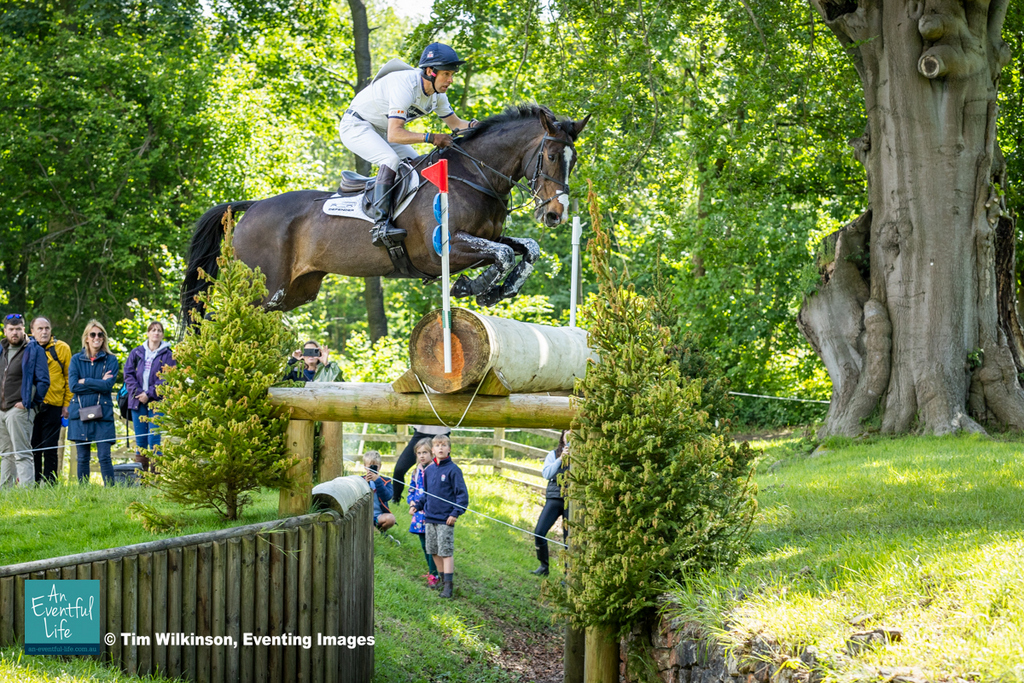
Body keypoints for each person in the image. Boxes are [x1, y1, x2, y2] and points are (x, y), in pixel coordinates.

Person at [339, 42, 478, 246]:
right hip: (357, 125)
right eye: (447, 74)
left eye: (452, 74)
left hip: (382, 129)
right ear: (431, 71)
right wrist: (431, 137)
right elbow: (395, 134)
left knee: (416, 164)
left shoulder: (437, 95)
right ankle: (381, 224)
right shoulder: (405, 85)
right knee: (391, 159)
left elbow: (456, 125)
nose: (451, 80)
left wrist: (483, 127)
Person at [413, 434, 469, 599]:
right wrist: (417, 505)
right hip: (430, 517)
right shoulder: (429, 470)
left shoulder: (454, 470)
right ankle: (442, 580)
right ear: (433, 449)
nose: (440, 448)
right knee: (434, 550)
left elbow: (462, 496)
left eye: (444, 445)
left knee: (445, 551)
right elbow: (427, 494)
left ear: (449, 449)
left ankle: (448, 587)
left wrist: (455, 513)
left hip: (446, 519)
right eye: (437, 445)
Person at [0, 313, 50, 487]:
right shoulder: (1, 349)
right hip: (1, 409)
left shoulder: (34, 350)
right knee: (6, 453)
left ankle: (26, 494)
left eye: (18, 329)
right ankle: (5, 493)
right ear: (5, 330)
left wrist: (30, 403)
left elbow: (44, 381)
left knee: (22, 453)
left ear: (24, 330)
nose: (15, 333)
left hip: (19, 409)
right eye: (11, 329)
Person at [68, 320, 119, 485]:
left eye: (100, 334)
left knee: (105, 456)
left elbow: (107, 385)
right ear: (86, 338)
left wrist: (86, 381)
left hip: (102, 414)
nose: (97, 337)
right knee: (82, 457)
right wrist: (97, 382)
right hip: (80, 413)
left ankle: (111, 492)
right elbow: (74, 386)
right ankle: (83, 492)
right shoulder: (76, 359)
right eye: (93, 334)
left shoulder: (111, 360)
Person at [123, 321, 175, 471]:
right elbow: (128, 374)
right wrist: (139, 393)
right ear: (148, 333)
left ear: (162, 335)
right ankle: (141, 475)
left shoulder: (168, 355)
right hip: (137, 401)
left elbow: (167, 378)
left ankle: (155, 475)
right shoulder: (137, 352)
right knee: (141, 439)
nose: (156, 333)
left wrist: (149, 393)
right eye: (153, 330)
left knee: (154, 438)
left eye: (159, 330)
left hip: (157, 401)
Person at [29, 316, 72, 484]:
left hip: (54, 404)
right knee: (33, 446)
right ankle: (33, 481)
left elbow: (69, 377)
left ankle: (50, 483)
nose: (44, 331)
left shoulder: (62, 348)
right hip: (32, 405)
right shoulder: (27, 348)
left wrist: (67, 403)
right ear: (32, 331)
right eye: (39, 329)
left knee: (50, 446)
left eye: (47, 328)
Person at [531, 430, 571, 576]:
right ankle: (543, 566)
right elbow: (546, 474)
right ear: (563, 436)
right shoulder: (553, 454)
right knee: (539, 532)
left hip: (572, 502)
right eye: (568, 434)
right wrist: (561, 458)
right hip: (555, 498)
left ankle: (569, 575)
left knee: (570, 539)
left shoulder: (582, 456)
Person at [406, 438, 440, 587]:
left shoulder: (435, 470)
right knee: (423, 543)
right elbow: (411, 489)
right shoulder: (416, 471)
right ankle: (432, 571)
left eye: (425, 452)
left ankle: (435, 574)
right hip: (418, 514)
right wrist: (411, 501)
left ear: (431, 452)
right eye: (419, 453)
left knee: (432, 544)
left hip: (431, 512)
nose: (422, 456)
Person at [392, 424, 450, 504]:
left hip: (441, 434)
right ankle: (396, 498)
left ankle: (441, 501)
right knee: (399, 469)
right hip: (420, 433)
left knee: (442, 473)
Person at [363, 450, 396, 532]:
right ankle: (379, 535)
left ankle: (378, 530)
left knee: (391, 519)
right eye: (370, 466)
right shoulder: (361, 480)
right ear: (365, 466)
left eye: (375, 467)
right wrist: (365, 483)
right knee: (367, 525)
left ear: (380, 466)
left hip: (379, 517)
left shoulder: (386, 481)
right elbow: (357, 497)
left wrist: (378, 481)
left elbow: (387, 497)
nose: (372, 469)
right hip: (364, 516)